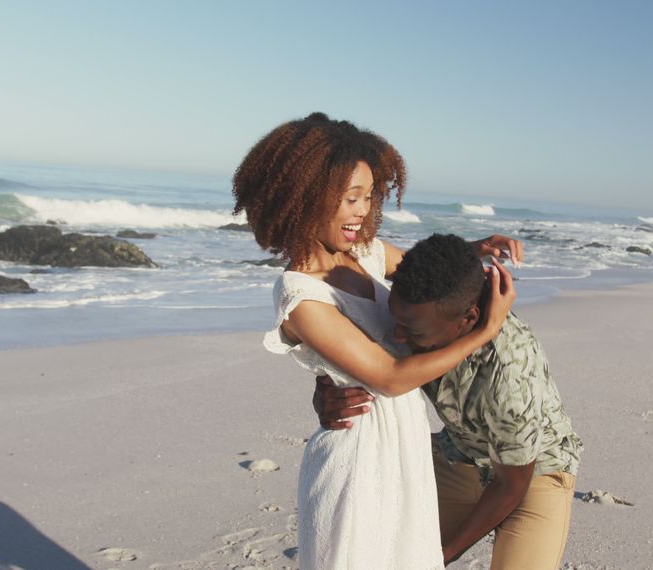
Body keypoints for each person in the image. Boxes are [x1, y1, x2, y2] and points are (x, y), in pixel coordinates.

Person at [232, 112, 519, 569]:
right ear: (303, 198)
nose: (363, 211)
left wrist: (471, 251)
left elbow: (428, 279)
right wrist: (486, 330)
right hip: (357, 460)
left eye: (369, 197)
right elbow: (388, 376)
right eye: (350, 198)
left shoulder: (366, 254)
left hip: (404, 448)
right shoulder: (301, 296)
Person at [315, 233, 583, 570]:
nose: (397, 336)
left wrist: (437, 557)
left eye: (411, 331)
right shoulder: (418, 314)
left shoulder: (509, 371)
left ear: (468, 320)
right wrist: (325, 393)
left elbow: (511, 484)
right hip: (461, 455)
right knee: (381, 551)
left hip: (534, 473)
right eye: (396, 321)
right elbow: (356, 360)